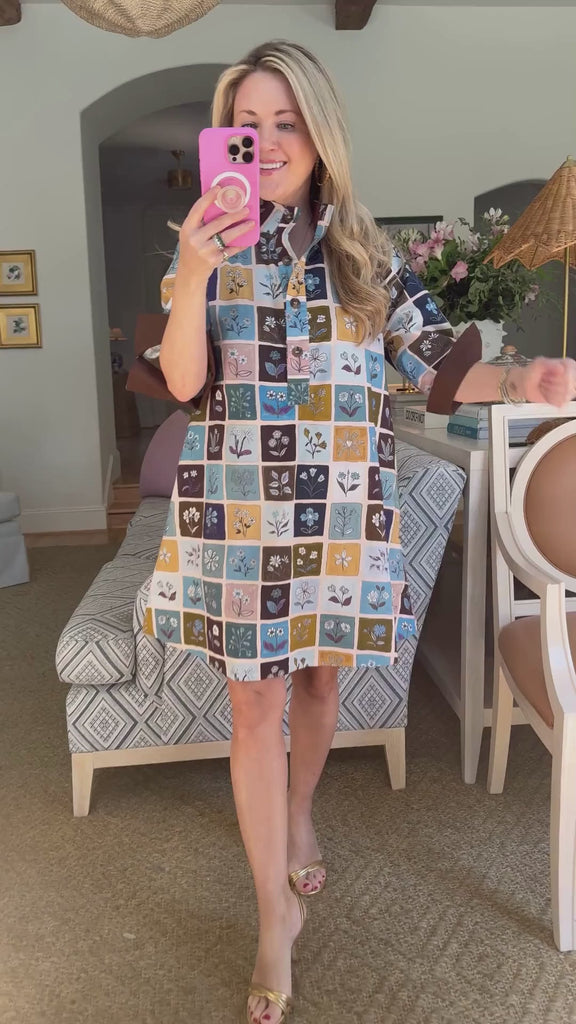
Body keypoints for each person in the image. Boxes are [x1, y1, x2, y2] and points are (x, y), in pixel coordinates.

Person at [145, 41, 576, 1024]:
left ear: (320, 134)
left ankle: (300, 812)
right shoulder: (203, 245)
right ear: (223, 138)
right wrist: (195, 267)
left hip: (338, 513)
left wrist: (523, 378)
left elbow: (439, 368)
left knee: (318, 685)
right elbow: (181, 380)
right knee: (252, 708)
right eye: (246, 125)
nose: (266, 143)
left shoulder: (366, 255)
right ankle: (273, 914)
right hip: (238, 512)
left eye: (285, 122)